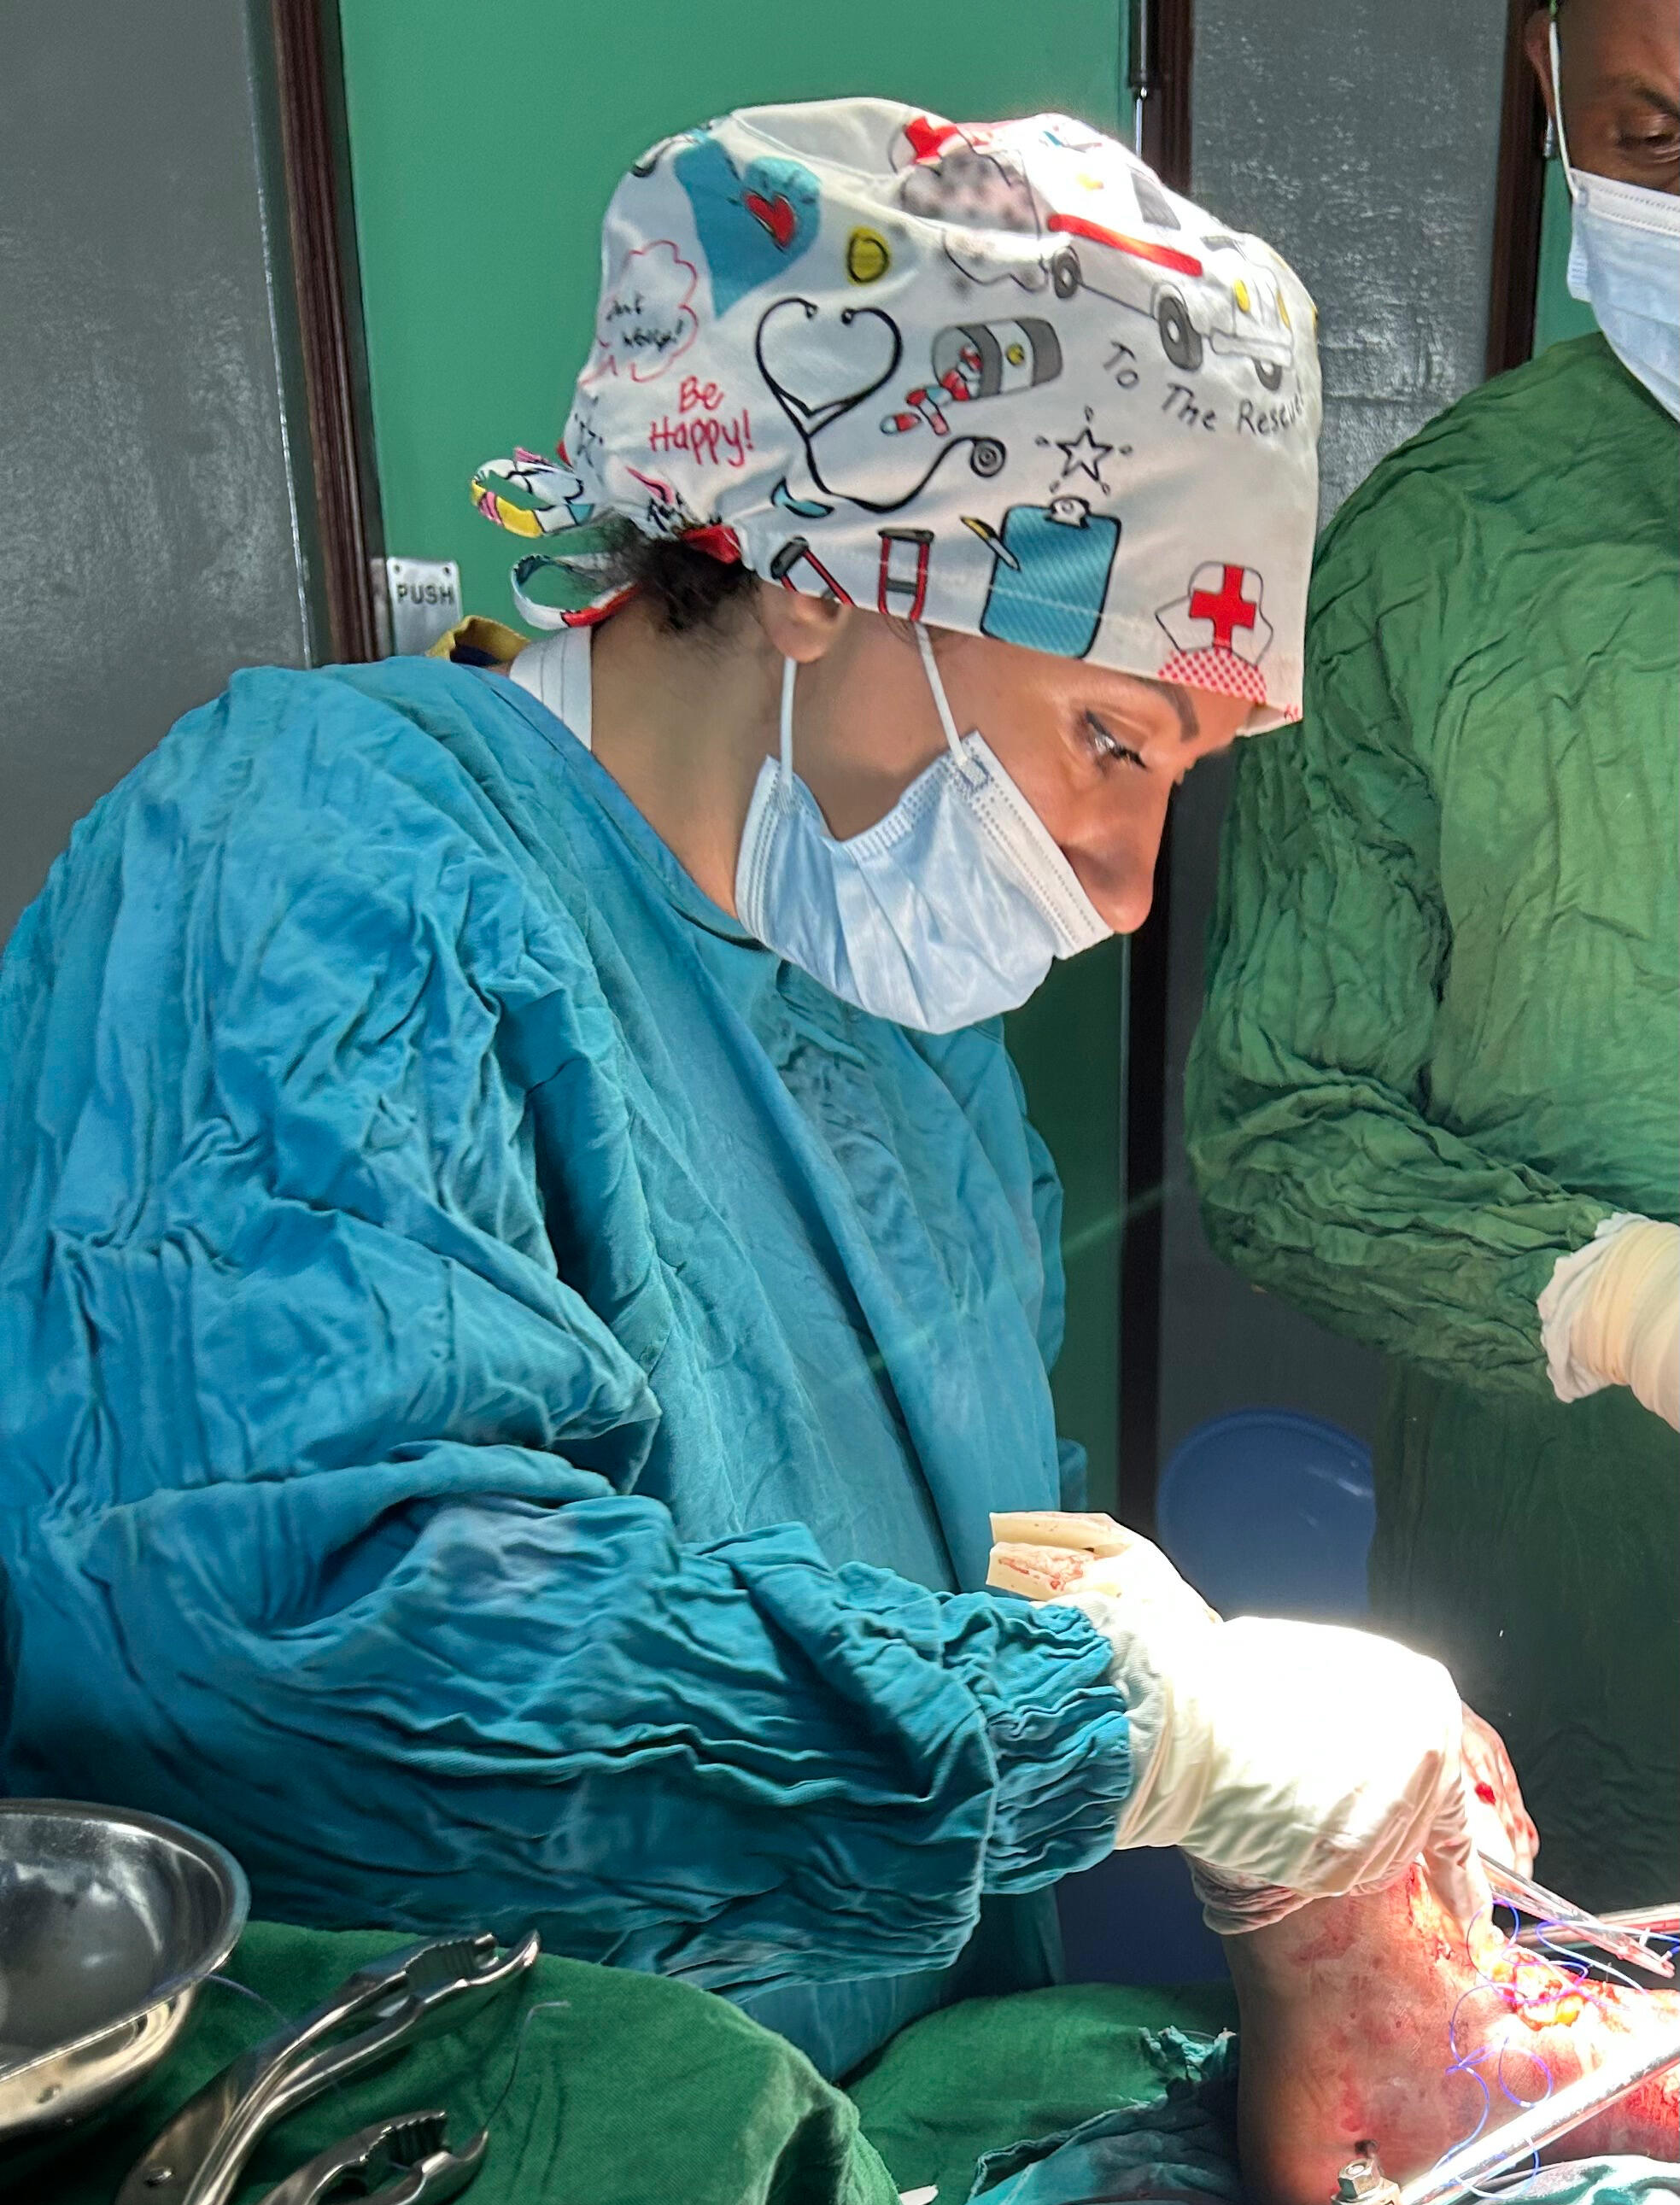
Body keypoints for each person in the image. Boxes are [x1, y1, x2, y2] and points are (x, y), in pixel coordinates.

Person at [0, 103, 1488, 2085]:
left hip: (867, 2124)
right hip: (448, 2134)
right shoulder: (307, 864)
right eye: (1110, 741)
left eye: (1181, 779)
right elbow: (320, 1655)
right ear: (826, 574)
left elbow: (897, 1568)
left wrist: (1174, 1666)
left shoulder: (901, 1021)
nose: (1129, 892)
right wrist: (1134, 1733)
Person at [1186, 0, 1678, 1915]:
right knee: (1565, 2070)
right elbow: (1279, 1129)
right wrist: (1611, 1295)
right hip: (1561, 1625)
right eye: (1659, 140)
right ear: (1550, 80)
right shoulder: (1433, 561)